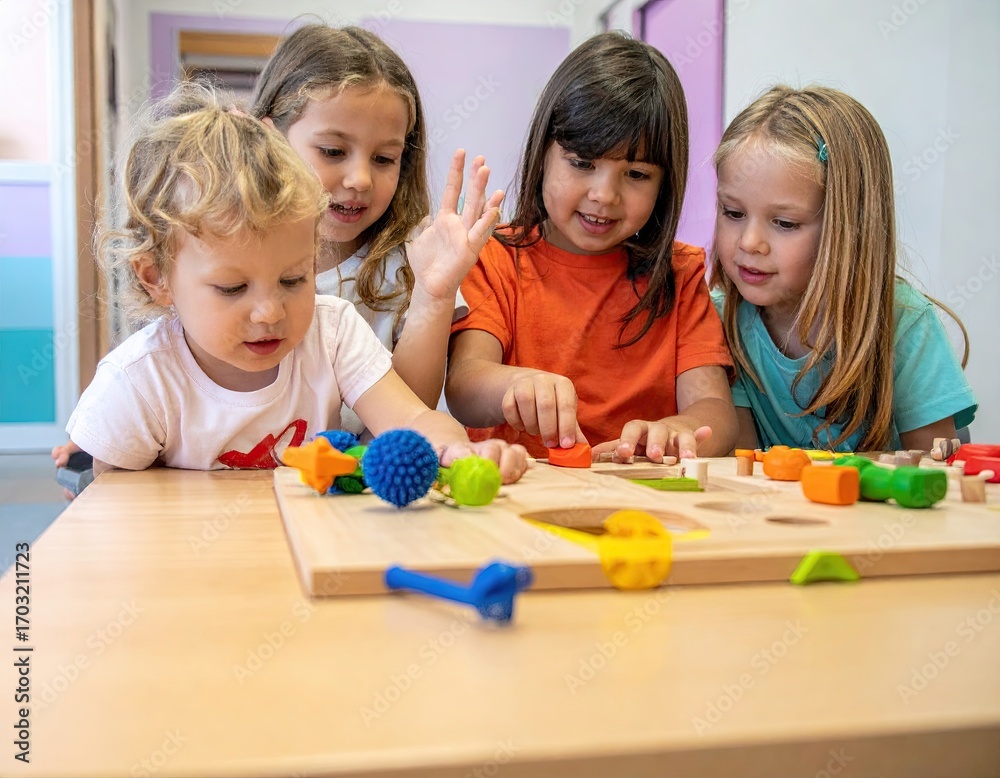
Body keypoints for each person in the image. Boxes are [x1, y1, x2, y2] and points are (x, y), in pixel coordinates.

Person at [64, 84, 528, 483]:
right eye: (232, 288)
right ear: (155, 279)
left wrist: (457, 452)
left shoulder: (333, 331)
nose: (270, 312)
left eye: (293, 279)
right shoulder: (139, 380)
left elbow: (411, 420)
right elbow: (114, 512)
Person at [445, 31, 737, 461]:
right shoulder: (494, 256)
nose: (605, 195)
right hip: (518, 499)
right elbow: (464, 384)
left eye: (636, 174)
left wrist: (681, 430)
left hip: (642, 502)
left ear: (665, 182)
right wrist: (514, 385)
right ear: (542, 152)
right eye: (582, 163)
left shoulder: (681, 273)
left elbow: (718, 413)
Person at [251, 24, 503, 435]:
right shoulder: (232, 253)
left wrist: (432, 296)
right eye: (333, 151)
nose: (360, 180)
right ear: (269, 137)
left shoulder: (413, 261)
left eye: (385, 158)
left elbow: (406, 418)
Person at [709, 84, 977, 452]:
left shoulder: (904, 324)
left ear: (848, 227)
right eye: (733, 213)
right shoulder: (720, 320)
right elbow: (739, 471)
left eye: (785, 223)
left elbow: (937, 485)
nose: (749, 242)